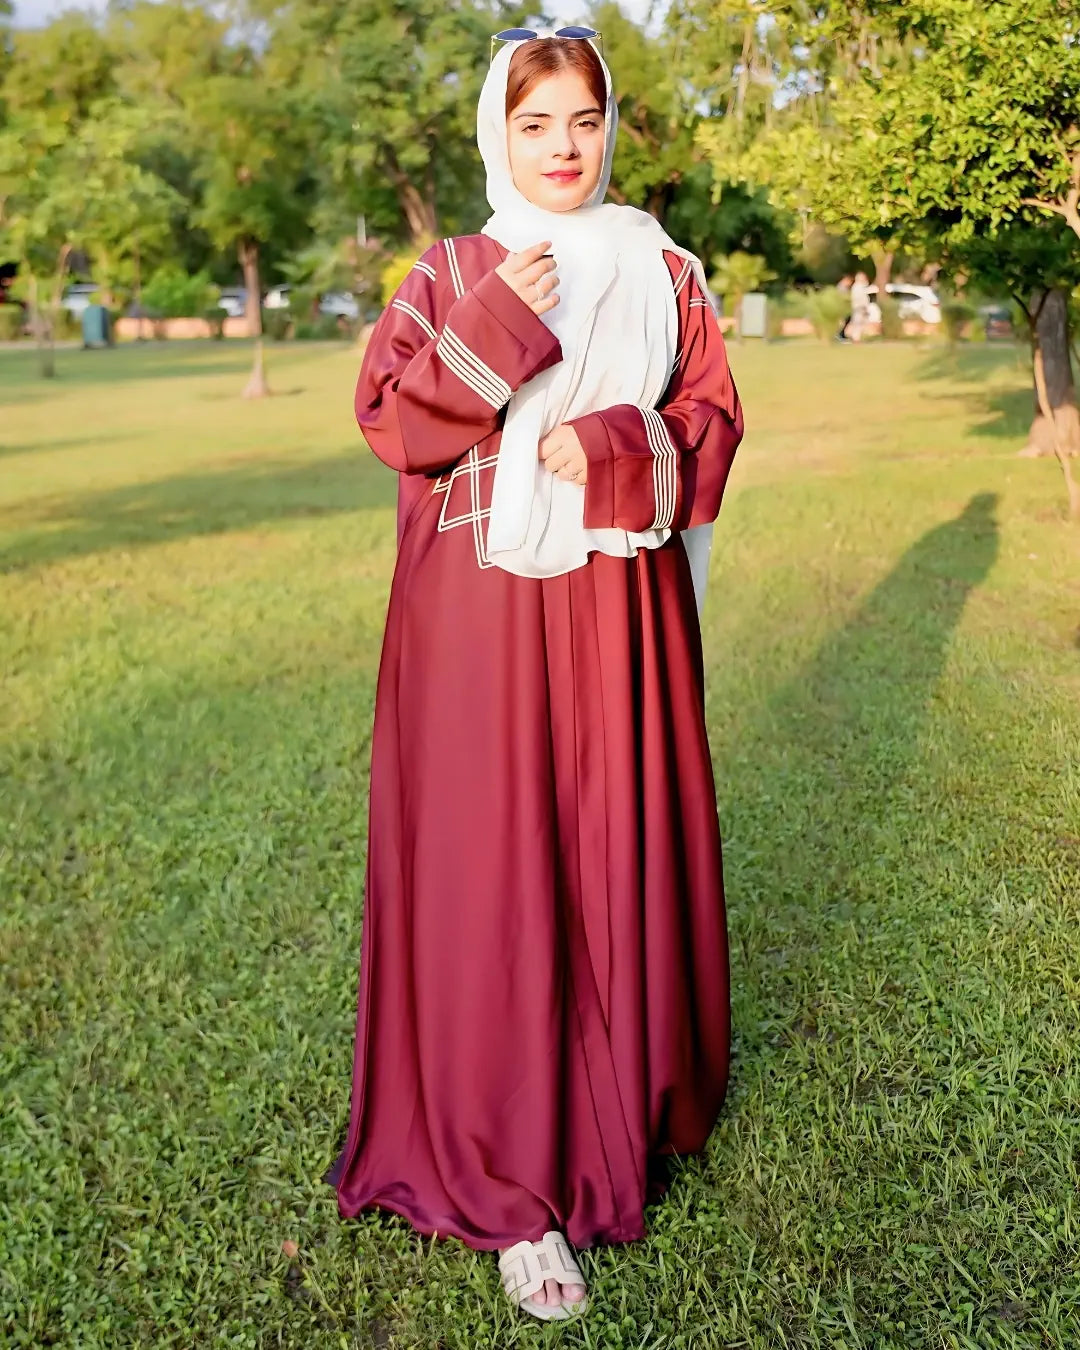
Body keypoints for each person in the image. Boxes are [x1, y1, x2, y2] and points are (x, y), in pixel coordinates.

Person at [327, 28, 744, 1323]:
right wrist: (507, 316)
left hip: (618, 612)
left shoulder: (664, 272)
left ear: (608, 127)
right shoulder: (449, 268)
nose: (562, 149)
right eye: (535, 125)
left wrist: (618, 443)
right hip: (477, 631)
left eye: (580, 121)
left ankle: (622, 1102)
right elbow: (392, 417)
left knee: (604, 846)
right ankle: (513, 1188)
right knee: (496, 873)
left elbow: (712, 421)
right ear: (493, 137)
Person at [849, 269, 871, 343]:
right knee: (858, 323)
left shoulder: (861, 287)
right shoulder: (857, 287)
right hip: (859, 308)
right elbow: (859, 298)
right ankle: (855, 338)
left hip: (861, 308)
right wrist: (863, 306)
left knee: (859, 323)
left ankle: (856, 337)